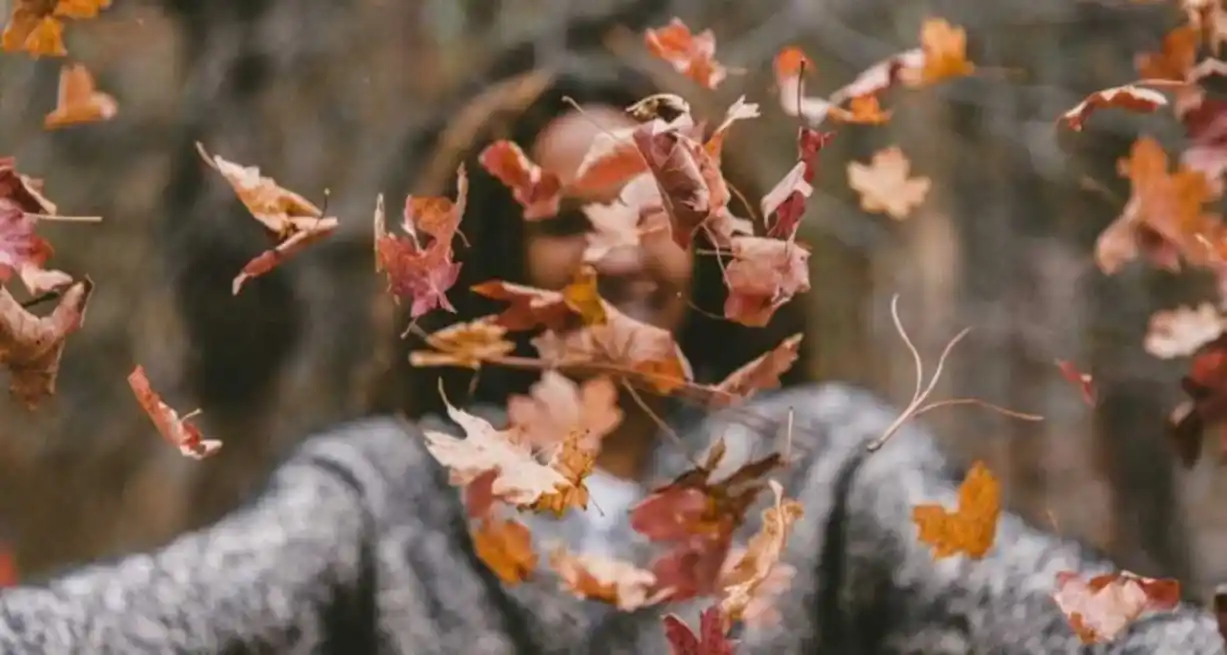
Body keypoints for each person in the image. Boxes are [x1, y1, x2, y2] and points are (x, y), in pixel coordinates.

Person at [0, 18, 1223, 655]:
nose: (615, 252)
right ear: (490, 267)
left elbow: (1034, 607)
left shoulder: (823, 470)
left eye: (652, 210)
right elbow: (163, 612)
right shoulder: (385, 498)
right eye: (561, 224)